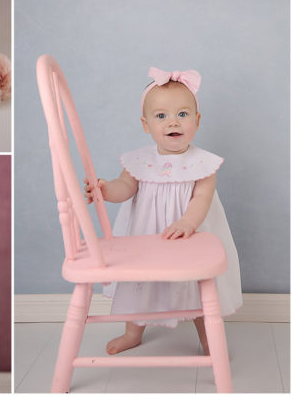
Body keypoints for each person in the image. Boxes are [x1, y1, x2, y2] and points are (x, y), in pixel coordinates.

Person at [86, 68, 241, 355]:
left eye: (183, 114)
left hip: (188, 236)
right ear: (146, 125)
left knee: (197, 288)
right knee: (140, 285)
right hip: (148, 237)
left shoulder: (203, 164)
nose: (173, 122)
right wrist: (106, 190)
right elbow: (125, 187)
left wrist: (187, 222)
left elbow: (202, 200)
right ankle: (132, 332)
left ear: (197, 120)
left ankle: (209, 341)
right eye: (161, 116)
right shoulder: (139, 161)